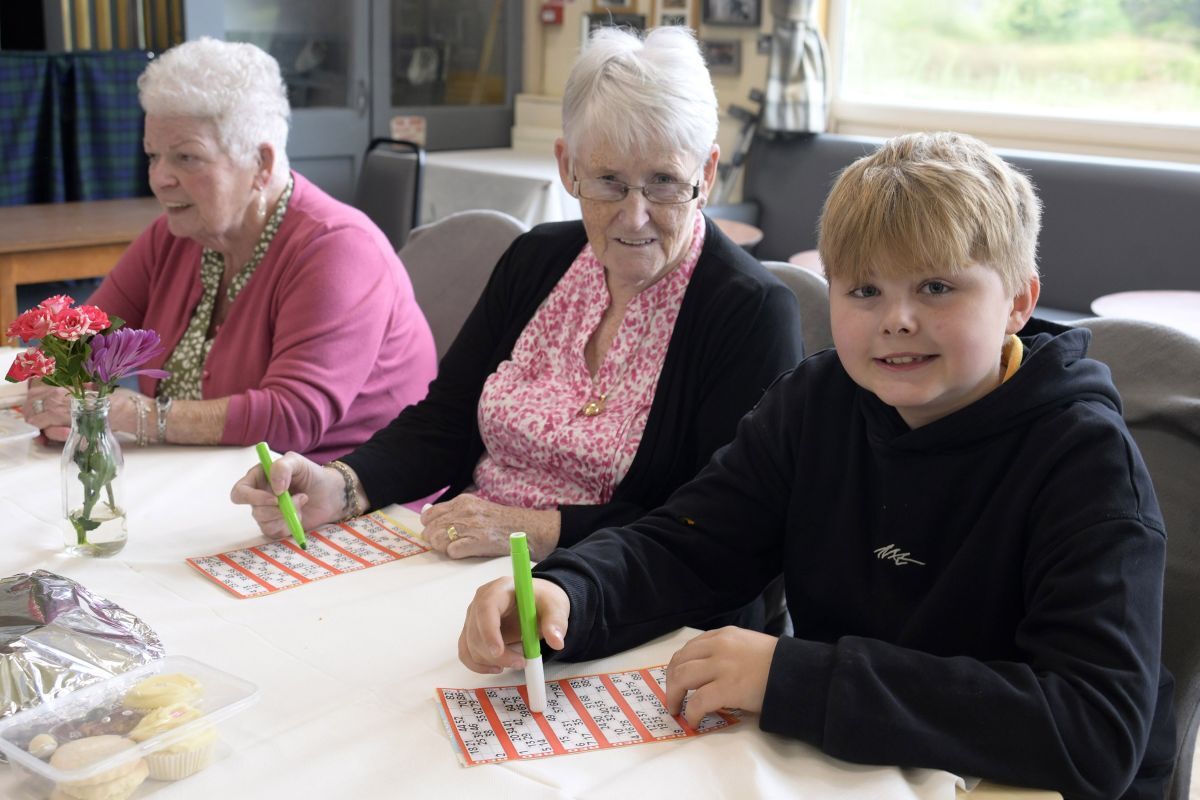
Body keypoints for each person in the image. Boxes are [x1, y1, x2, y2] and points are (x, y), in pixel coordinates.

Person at [457, 132, 1175, 799]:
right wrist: (574, 595)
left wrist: (795, 677)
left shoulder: (1083, 460)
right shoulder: (817, 402)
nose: (896, 318)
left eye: (936, 288)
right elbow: (694, 540)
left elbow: (1094, 730)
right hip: (860, 766)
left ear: (1018, 300)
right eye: (864, 291)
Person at [231, 27, 803, 581]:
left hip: (625, 598)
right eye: (608, 181)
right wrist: (344, 485)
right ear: (567, 167)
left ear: (706, 172)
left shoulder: (750, 313)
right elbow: (446, 423)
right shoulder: (537, 260)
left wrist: (531, 530)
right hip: (465, 564)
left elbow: (709, 526)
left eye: (663, 182)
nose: (635, 215)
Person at [24, 38, 437, 462]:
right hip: (211, 481)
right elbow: (78, 339)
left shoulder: (339, 251)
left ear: (261, 164)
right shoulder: (172, 237)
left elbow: (294, 418)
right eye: (153, 156)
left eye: (187, 157)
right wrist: (53, 383)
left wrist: (139, 415)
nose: (159, 178)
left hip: (337, 496)